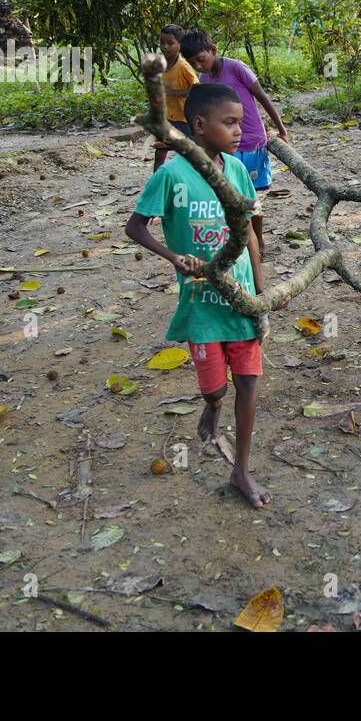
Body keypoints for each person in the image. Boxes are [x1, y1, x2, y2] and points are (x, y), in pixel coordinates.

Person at [124, 83, 270, 508]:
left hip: (240, 299)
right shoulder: (172, 174)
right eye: (230, 123)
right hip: (199, 301)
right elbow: (135, 227)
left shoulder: (239, 171)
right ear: (201, 126)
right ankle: (211, 405)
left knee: (248, 382)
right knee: (215, 388)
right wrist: (174, 257)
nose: (239, 131)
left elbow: (252, 235)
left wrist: (261, 291)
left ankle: (241, 468)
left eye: (241, 122)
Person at [180, 29, 288, 252]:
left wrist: (281, 129)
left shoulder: (236, 68)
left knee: (252, 196)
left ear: (213, 51)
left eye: (200, 59)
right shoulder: (205, 78)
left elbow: (262, 97)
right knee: (228, 192)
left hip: (251, 142)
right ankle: (234, 238)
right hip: (225, 145)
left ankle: (257, 241)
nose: (198, 66)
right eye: (193, 63)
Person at [152, 23, 199, 172]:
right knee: (160, 151)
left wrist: (174, 93)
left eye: (169, 43)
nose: (164, 46)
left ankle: (191, 179)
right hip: (167, 116)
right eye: (162, 43)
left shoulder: (183, 66)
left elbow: (197, 89)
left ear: (179, 45)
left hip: (184, 117)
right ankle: (156, 181)